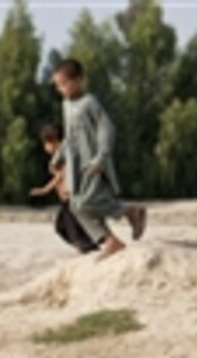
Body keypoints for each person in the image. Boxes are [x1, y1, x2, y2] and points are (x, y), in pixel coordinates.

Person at [50, 57, 146, 260]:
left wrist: (101, 158)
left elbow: (107, 129)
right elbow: (69, 135)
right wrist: (59, 156)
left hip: (93, 163)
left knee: (86, 203)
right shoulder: (66, 105)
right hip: (76, 167)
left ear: (78, 80)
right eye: (58, 85)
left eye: (64, 83)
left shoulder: (90, 103)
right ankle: (111, 241)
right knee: (76, 206)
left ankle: (130, 211)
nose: (61, 89)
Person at [30, 123, 100, 255]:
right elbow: (59, 176)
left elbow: (63, 174)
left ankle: (90, 250)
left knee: (74, 230)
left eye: (47, 144)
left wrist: (45, 189)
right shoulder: (59, 158)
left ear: (55, 142)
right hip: (65, 201)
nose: (45, 148)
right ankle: (86, 248)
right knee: (61, 227)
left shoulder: (64, 157)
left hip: (71, 200)